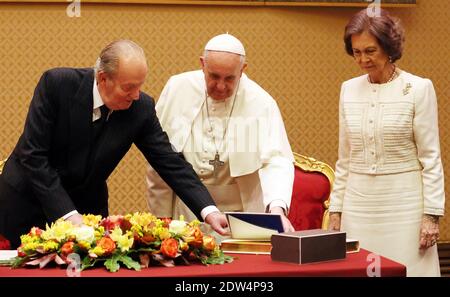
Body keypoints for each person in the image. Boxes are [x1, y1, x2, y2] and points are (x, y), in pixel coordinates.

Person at [0, 40, 228, 249]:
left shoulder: (141, 108)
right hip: (28, 202)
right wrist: (68, 214)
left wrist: (208, 209)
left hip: (86, 208)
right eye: (129, 87)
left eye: (140, 86)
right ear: (102, 78)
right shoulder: (57, 85)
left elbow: (169, 161)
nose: (136, 95)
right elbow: (32, 156)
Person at [328, 9, 445, 276]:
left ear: (389, 47)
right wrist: (336, 212)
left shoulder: (418, 88)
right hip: (357, 208)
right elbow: (344, 158)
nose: (362, 59)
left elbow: (430, 158)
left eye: (370, 51)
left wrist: (431, 215)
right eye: (356, 52)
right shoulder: (348, 89)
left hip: (404, 207)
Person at [146, 33, 295, 232]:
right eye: (214, 76)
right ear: (202, 64)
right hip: (187, 211)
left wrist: (277, 208)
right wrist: (160, 219)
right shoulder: (177, 88)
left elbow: (277, 160)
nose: (221, 86)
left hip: (242, 213)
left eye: (230, 78)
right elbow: (160, 159)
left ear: (243, 70)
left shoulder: (261, 102)